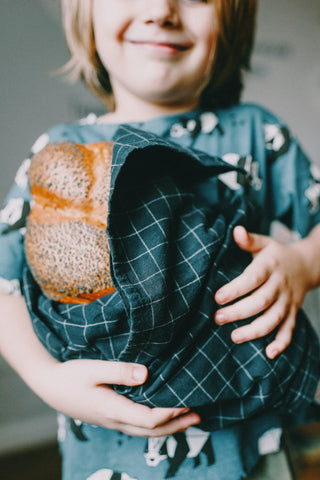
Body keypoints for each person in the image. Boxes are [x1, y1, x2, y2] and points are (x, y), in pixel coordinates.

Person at [0, 0, 320, 479]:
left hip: (253, 454)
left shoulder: (258, 132)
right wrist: (47, 381)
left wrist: (302, 262)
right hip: (107, 460)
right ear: (84, 14)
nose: (160, 9)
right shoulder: (59, 154)